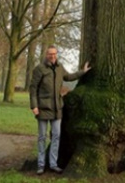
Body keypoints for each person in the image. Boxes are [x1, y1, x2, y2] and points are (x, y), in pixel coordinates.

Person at [29, 45, 91, 175]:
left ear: (57, 54)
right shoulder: (39, 69)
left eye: (54, 54)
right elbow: (33, 89)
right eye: (50, 54)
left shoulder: (60, 68)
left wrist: (83, 72)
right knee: (41, 137)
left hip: (57, 108)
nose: (52, 56)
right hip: (42, 108)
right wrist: (34, 106)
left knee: (56, 137)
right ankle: (41, 165)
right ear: (46, 55)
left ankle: (53, 164)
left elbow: (69, 77)